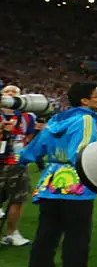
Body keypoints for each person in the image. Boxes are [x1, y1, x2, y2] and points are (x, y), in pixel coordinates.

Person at [20, 82, 97, 267]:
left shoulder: (56, 119)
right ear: (84, 101)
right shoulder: (86, 118)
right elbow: (83, 150)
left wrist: (24, 159)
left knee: (46, 236)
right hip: (75, 183)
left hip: (50, 182)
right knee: (77, 235)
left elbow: (36, 148)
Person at [1, 84, 38, 246]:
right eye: (7, 92)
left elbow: (28, 138)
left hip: (17, 163)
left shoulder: (27, 117)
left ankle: (11, 233)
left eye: (14, 93)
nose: (10, 95)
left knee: (18, 199)